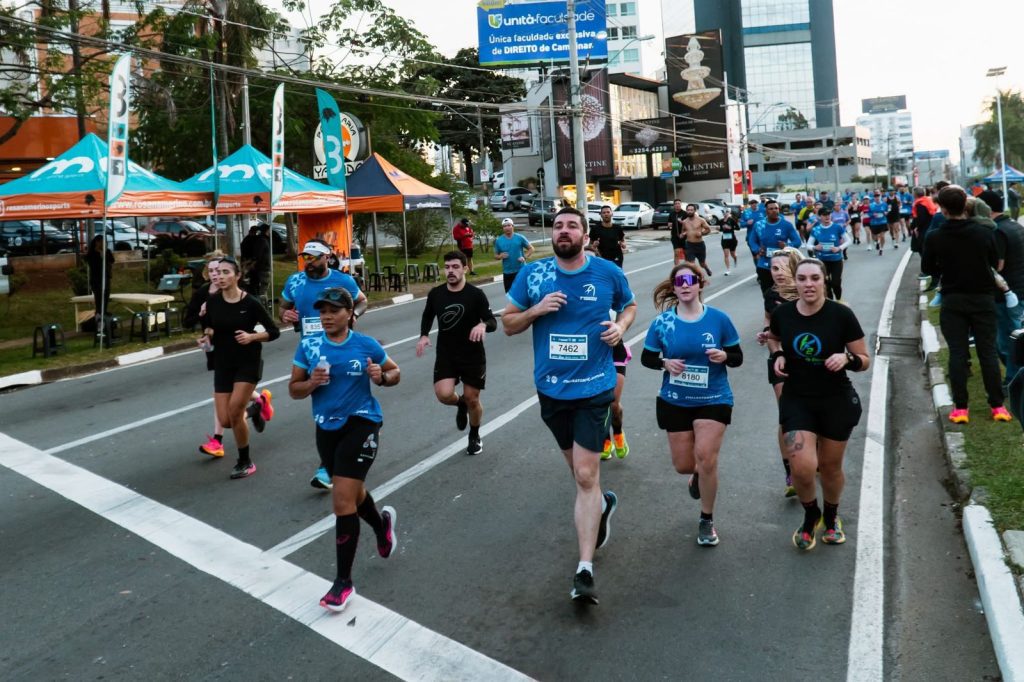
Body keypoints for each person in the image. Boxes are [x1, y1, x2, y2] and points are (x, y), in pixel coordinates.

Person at [502, 206, 637, 605]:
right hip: (551, 390)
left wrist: (621, 327)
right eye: (559, 226)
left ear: (585, 233)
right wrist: (535, 310)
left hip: (595, 386)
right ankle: (602, 502)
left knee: (583, 474)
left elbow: (629, 305)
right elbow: (508, 323)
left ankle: (584, 569)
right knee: (582, 477)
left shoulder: (607, 272)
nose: (564, 231)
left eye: (572, 225)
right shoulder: (534, 274)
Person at [288, 287, 401, 612]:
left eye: (333, 311)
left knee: (341, 499)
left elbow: (396, 372)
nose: (325, 316)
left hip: (362, 422)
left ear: (350, 314)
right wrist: (311, 383)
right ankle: (382, 527)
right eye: (322, 311)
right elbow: (293, 390)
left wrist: (381, 377)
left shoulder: (365, 344)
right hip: (326, 427)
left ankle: (343, 583)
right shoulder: (308, 345)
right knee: (352, 492)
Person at [766, 258, 870, 550]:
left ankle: (832, 516)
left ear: (824, 280)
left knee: (829, 466)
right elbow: (773, 338)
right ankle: (811, 514)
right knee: (802, 467)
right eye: (802, 279)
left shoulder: (841, 315)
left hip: (836, 400)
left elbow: (864, 360)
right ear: (795, 281)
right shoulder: (783, 313)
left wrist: (847, 359)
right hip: (798, 398)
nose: (808, 284)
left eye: (814, 278)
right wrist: (779, 355)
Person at [642, 262, 743, 547]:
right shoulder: (663, 323)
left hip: (714, 397)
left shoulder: (719, 319)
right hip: (675, 399)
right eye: (679, 281)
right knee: (684, 465)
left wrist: (724, 356)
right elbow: (647, 358)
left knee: (707, 457)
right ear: (674, 288)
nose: (685, 285)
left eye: (690, 280)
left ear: (700, 284)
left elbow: (737, 356)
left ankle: (707, 519)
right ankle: (697, 474)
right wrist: (665, 362)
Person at [281, 240, 368, 490]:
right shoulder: (295, 282)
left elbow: (362, 301)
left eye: (314, 257)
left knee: (340, 400)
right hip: (311, 352)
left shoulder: (343, 281)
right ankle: (342, 451)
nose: (308, 262)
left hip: (342, 347)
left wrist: (354, 316)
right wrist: (285, 315)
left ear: (327, 257)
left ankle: (329, 465)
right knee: (324, 403)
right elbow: (283, 309)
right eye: (305, 257)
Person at [921, 185, 1012, 423]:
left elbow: (928, 268)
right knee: (987, 352)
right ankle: (997, 406)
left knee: (958, 353)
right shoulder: (984, 233)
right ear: (966, 205)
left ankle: (961, 408)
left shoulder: (935, 236)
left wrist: (945, 270)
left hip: (953, 299)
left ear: (941, 208)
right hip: (983, 298)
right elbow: (993, 261)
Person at [199, 257, 281, 479]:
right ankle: (256, 408)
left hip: (248, 362)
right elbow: (210, 327)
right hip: (223, 362)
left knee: (235, 411)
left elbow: (274, 331)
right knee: (226, 421)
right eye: (219, 272)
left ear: (237, 276)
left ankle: (245, 461)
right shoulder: (213, 302)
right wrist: (206, 338)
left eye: (227, 272)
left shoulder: (251, 303)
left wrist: (252, 336)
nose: (222, 276)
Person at [416, 251, 498, 456]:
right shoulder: (436, 293)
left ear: (465, 268)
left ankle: (474, 434)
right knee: (444, 395)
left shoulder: (476, 294)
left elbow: (492, 322)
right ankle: (459, 403)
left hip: (472, 354)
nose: (450, 271)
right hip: (446, 353)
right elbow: (428, 315)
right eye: (447, 267)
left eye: (455, 267)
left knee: (473, 398)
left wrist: (482, 325)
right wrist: (424, 335)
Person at [756, 248, 804, 497]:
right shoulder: (770, 294)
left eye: (783, 268)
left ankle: (809, 457)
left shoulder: (807, 289)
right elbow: (768, 321)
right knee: (787, 414)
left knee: (811, 414)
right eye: (774, 268)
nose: (778, 273)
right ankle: (791, 470)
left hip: (809, 362)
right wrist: (773, 348)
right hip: (781, 362)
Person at [978, 190, 1024, 388]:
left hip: (1007, 293)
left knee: (1006, 340)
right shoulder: (1015, 225)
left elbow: (999, 266)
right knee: (1015, 335)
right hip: (1019, 287)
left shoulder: (998, 231)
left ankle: (1012, 380)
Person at [748, 199, 802, 296]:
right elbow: (752, 241)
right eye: (771, 209)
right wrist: (757, 250)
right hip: (764, 265)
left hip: (783, 266)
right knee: (768, 297)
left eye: (776, 208)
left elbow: (797, 242)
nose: (774, 210)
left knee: (784, 295)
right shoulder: (759, 225)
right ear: (766, 211)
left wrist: (787, 246)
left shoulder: (786, 225)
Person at [807, 207, 851, 300]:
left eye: (829, 215)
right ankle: (829, 300)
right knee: (825, 283)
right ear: (820, 217)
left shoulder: (837, 227)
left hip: (836, 260)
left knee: (836, 282)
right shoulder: (816, 229)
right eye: (824, 215)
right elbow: (808, 245)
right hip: (822, 261)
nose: (827, 217)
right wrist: (815, 247)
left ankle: (839, 300)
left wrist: (839, 248)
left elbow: (848, 241)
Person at [494, 218, 534, 292]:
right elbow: (495, 255)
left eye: (509, 225)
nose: (507, 228)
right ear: (503, 228)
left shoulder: (520, 237)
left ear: (513, 226)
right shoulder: (499, 241)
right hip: (507, 272)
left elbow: (531, 248)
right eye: (504, 226)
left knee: (524, 293)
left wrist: (524, 257)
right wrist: (500, 256)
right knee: (510, 295)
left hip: (521, 270)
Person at [86, 234, 114, 326]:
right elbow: (94, 265)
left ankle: (104, 316)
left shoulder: (107, 251)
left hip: (106, 278)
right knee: (99, 300)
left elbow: (112, 260)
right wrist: (99, 255)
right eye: (102, 241)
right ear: (97, 242)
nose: (104, 243)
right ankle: (99, 319)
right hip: (97, 280)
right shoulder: (92, 254)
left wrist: (105, 253)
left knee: (106, 298)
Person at [239, 222, 271, 298]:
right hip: (258, 268)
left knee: (253, 287)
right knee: (260, 289)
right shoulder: (261, 240)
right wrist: (250, 264)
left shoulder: (254, 239)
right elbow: (256, 256)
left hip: (253, 267)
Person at [680, 203, 713, 276]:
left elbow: (708, 230)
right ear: (686, 211)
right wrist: (682, 234)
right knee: (691, 264)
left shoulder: (701, 220)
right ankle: (698, 277)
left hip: (700, 245)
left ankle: (706, 268)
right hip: (689, 245)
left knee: (702, 264)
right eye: (688, 210)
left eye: (691, 210)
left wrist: (702, 233)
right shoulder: (685, 222)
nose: (689, 211)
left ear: (695, 210)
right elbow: (683, 231)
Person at [719, 210, 740, 275]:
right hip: (724, 239)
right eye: (724, 212)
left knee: (732, 254)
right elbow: (721, 229)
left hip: (732, 239)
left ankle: (735, 258)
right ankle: (728, 270)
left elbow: (738, 228)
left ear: (728, 213)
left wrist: (730, 227)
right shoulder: (721, 221)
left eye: (726, 212)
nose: (725, 213)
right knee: (726, 255)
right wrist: (719, 228)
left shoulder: (732, 220)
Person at [669, 199, 687, 265]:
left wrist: (682, 222)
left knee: (686, 254)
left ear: (680, 204)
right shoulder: (672, 214)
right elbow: (669, 223)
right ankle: (677, 270)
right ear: (674, 205)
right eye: (676, 204)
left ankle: (687, 268)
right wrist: (669, 224)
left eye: (678, 203)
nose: (677, 205)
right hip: (674, 236)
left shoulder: (685, 213)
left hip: (684, 236)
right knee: (676, 253)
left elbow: (688, 225)